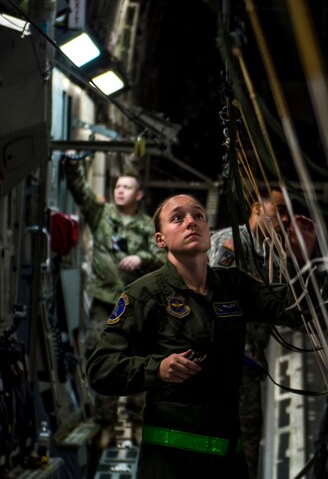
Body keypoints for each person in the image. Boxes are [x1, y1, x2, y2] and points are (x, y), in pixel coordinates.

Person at [87, 194, 304, 478]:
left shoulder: (233, 285)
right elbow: (101, 369)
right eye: (178, 218)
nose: (191, 221)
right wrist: (158, 369)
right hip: (170, 464)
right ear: (160, 240)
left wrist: (301, 260)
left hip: (227, 462)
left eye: (198, 216)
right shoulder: (145, 294)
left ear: (209, 233)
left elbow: (295, 310)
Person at [208, 185, 317, 479]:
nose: (283, 219)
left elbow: (289, 308)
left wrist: (303, 257)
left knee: (245, 453)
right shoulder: (233, 243)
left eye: (287, 213)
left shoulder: (271, 256)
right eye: (278, 209)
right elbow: (222, 298)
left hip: (248, 369)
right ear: (257, 207)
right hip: (220, 367)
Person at [61, 156, 164, 444]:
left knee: (139, 361)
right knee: (103, 359)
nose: (120, 190)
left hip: (137, 308)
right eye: (118, 186)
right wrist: (71, 166)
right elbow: (81, 192)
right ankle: (105, 422)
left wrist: (141, 258)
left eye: (127, 187)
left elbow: (163, 258)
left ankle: (137, 421)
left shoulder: (147, 227)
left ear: (139, 195)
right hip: (105, 303)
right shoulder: (101, 215)